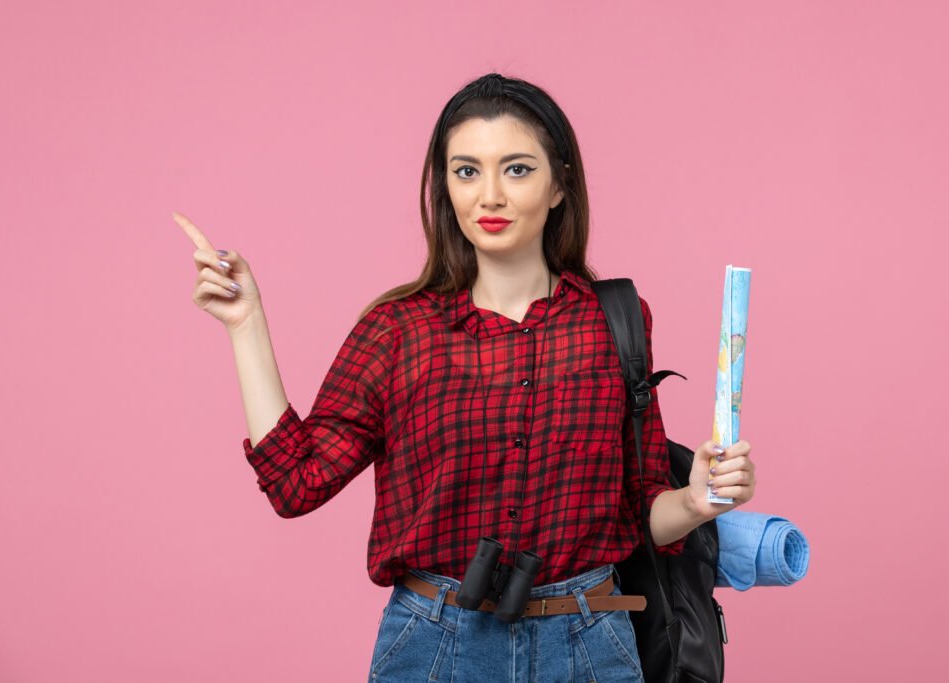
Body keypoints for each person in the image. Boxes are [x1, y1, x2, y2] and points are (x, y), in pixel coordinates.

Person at [175, 72, 756, 683]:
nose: (490, 197)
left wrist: (695, 502)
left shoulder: (614, 321)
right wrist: (245, 325)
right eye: (467, 171)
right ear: (445, 186)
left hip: (591, 640)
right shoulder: (400, 330)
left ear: (560, 184)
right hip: (436, 644)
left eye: (517, 169)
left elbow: (637, 514)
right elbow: (297, 482)